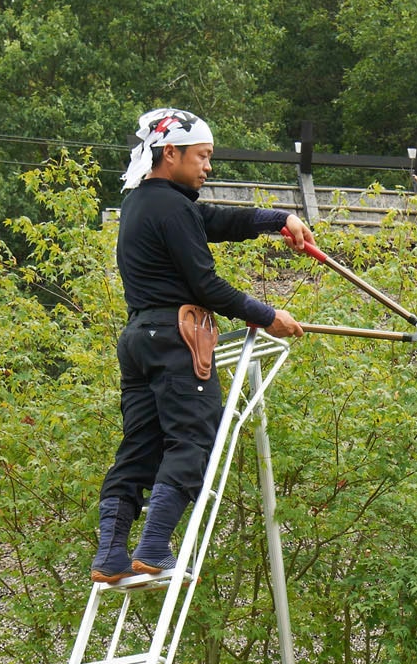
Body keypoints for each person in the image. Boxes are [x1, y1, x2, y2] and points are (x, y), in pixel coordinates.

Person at [92, 107, 317, 585]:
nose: (208, 167)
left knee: (139, 447)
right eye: (203, 156)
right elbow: (207, 285)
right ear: (169, 153)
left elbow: (212, 220)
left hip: (138, 340)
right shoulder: (171, 208)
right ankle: (153, 547)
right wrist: (267, 315)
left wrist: (279, 219)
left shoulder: (141, 203)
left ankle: (109, 555)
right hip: (176, 340)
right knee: (193, 439)